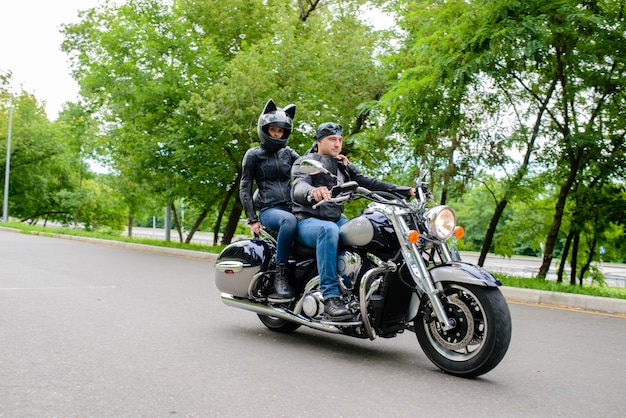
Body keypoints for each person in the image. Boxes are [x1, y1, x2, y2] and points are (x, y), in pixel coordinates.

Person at [291, 122, 415, 321]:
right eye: (332, 139)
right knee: (329, 230)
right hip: (307, 221)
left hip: (335, 219)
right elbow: (299, 185)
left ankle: (366, 289)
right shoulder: (306, 162)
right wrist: (311, 192)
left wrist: (404, 191)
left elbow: (369, 184)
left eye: (339, 140)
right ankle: (330, 296)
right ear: (319, 140)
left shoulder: (342, 165)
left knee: (369, 230)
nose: (337, 144)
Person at [239, 99, 299, 302]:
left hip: (292, 206)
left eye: (281, 131)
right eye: (273, 129)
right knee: (288, 221)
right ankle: (280, 274)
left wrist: (331, 159)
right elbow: (245, 187)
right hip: (269, 209)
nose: (277, 134)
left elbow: (307, 165)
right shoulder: (253, 155)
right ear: (265, 128)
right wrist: (252, 219)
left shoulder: (288, 153)